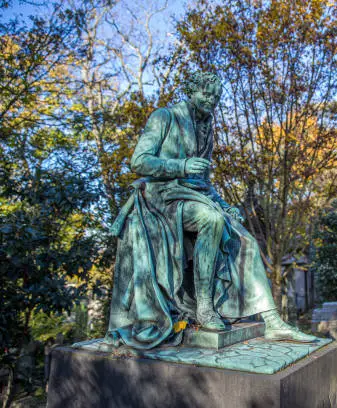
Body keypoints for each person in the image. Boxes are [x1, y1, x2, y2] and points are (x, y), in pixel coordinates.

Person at [106, 72, 316, 349]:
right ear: (190, 91)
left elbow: (202, 180)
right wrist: (180, 166)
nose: (211, 101)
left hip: (193, 196)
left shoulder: (207, 127)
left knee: (245, 240)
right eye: (206, 94)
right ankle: (205, 307)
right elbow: (139, 162)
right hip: (161, 199)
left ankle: (272, 321)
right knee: (212, 220)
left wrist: (226, 203)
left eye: (216, 96)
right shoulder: (164, 117)